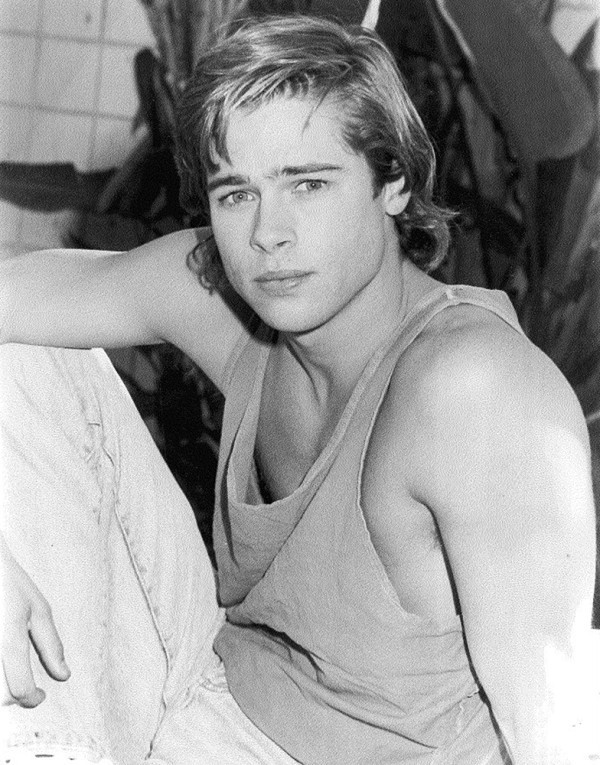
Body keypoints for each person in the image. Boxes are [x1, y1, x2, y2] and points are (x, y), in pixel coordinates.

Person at [0, 13, 597, 765]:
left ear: (393, 182)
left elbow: (552, 736)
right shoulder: (224, 298)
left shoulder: (475, 391)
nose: (267, 234)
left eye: (307, 184)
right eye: (236, 193)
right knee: (24, 361)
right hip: (208, 681)